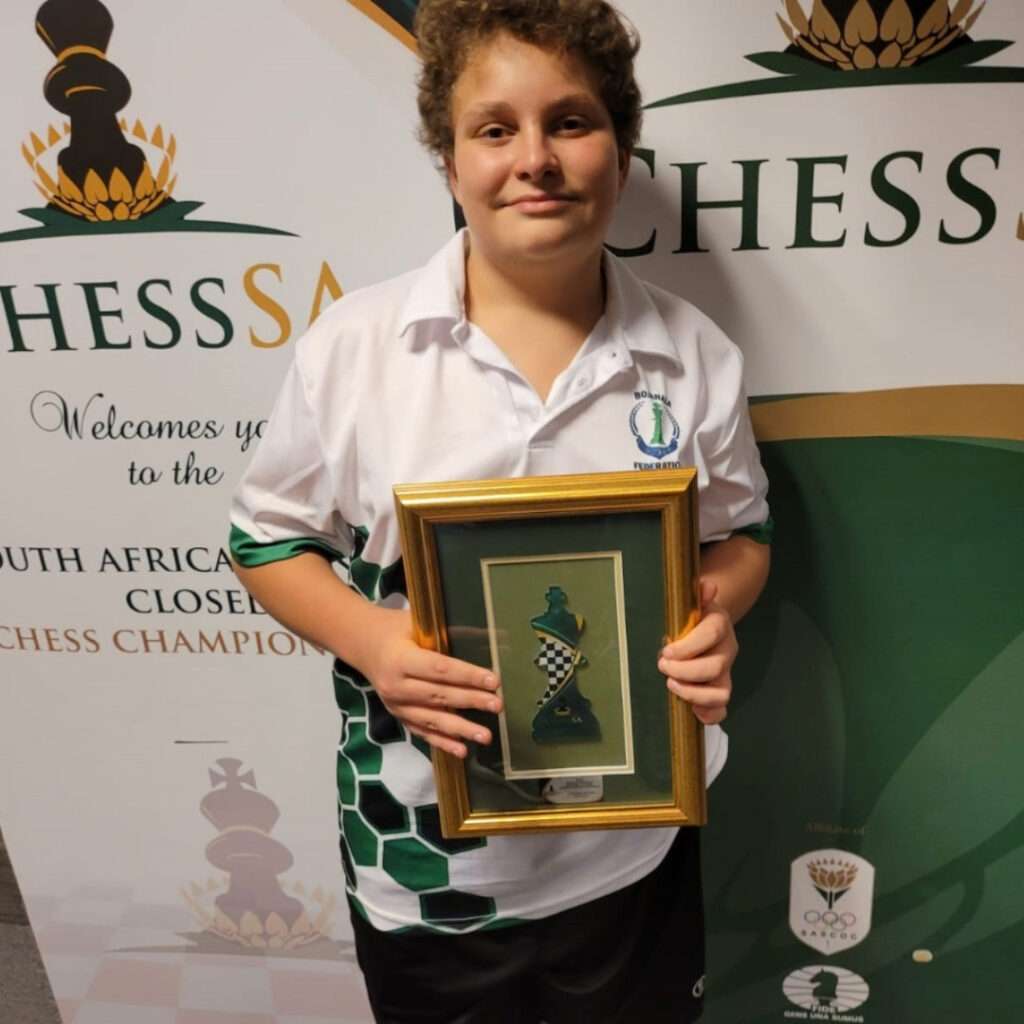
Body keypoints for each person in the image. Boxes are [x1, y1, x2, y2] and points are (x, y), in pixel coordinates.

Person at [230, 1, 771, 1020]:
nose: (535, 157)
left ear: (620, 148)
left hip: (634, 850)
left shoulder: (692, 350)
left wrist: (716, 609)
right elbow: (264, 539)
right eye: (494, 129)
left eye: (571, 121)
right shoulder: (355, 349)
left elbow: (741, 536)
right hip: (430, 865)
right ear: (448, 161)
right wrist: (374, 641)